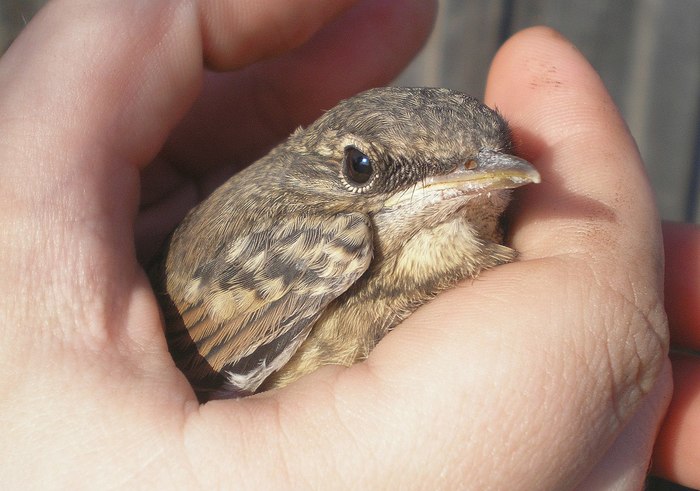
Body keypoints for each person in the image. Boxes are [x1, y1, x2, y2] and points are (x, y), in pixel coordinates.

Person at [0, 0, 696, 488]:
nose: (462, 187)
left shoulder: (494, 255)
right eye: (366, 169)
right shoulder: (318, 240)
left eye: (487, 167)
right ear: (342, 168)